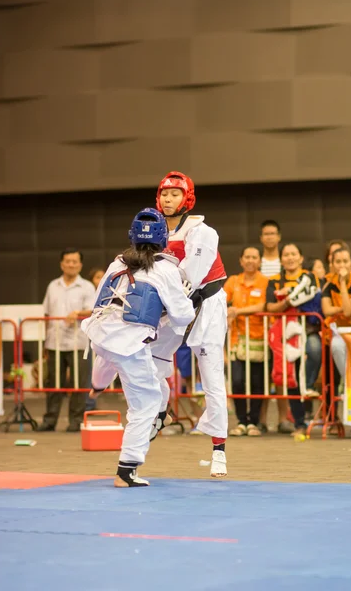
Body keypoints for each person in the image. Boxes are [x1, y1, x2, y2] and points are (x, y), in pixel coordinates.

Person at [82, 208, 195, 487]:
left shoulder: (116, 264)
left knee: (109, 359)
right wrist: (176, 305)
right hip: (130, 342)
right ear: (164, 238)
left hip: (101, 333)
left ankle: (97, 385)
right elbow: (183, 316)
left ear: (132, 236)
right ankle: (126, 470)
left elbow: (98, 303)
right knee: (145, 403)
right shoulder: (167, 270)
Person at [150, 171, 229, 478]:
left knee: (210, 377)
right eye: (164, 194)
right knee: (147, 361)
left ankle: (219, 449)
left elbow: (190, 277)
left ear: (187, 198)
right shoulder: (152, 230)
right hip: (173, 306)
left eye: (175, 194)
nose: (168, 199)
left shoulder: (203, 231)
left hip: (205, 305)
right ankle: (160, 412)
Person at [266, 243, 322, 439]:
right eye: (286, 254)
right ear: (281, 259)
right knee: (291, 379)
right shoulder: (274, 280)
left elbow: (313, 297)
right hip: (286, 336)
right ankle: (299, 422)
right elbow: (270, 307)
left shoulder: (310, 276)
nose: (290, 257)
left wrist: (292, 300)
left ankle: (308, 386)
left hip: (308, 330)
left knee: (314, 351)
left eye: (294, 254)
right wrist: (286, 303)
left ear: (300, 257)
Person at [38, 248, 95, 432]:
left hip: (79, 342)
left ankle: (75, 421)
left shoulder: (87, 286)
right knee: (54, 383)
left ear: (80, 265)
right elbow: (47, 313)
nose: (71, 264)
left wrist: (78, 313)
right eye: (67, 261)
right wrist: (44, 342)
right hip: (54, 342)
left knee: (79, 384)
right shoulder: (52, 285)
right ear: (61, 264)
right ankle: (50, 420)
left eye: (74, 261)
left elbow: (94, 310)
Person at [321, 247, 351, 437]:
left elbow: (348, 311)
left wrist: (340, 301)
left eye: (345, 261)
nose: (341, 265)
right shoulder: (328, 283)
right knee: (336, 346)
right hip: (339, 333)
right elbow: (326, 310)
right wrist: (341, 287)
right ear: (332, 265)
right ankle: (350, 383)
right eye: (337, 262)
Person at [225, 246, 268, 437]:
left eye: (254, 257)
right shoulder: (233, 281)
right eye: (247, 257)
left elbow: (264, 305)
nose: (250, 260)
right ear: (241, 261)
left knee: (257, 382)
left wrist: (237, 311)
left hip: (259, 339)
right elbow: (220, 301)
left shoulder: (266, 282)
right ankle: (242, 421)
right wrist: (226, 312)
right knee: (237, 380)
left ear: (259, 261)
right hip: (236, 339)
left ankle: (254, 422)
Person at [259, 220, 293, 433]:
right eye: (266, 234)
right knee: (263, 374)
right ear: (261, 238)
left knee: (281, 374)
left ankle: (283, 418)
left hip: (283, 328)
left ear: (279, 237)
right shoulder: (256, 262)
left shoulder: (285, 263)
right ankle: (261, 419)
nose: (270, 237)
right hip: (260, 326)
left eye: (273, 233)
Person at [85, 267, 106, 412]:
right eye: (97, 277)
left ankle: (91, 403)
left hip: (104, 335)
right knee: (91, 370)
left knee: (102, 366)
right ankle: (88, 404)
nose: (100, 280)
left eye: (102, 276)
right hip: (86, 336)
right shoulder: (88, 292)